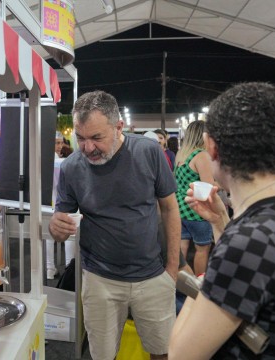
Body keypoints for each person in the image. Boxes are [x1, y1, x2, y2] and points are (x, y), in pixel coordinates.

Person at [169, 82, 275, 360]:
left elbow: (181, 354)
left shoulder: (249, 243)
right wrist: (220, 222)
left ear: (212, 148)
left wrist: (202, 292)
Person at [49, 90, 180, 360]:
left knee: (163, 352)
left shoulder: (148, 152)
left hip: (153, 277)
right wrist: (56, 227)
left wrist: (173, 269)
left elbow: (169, 208)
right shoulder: (72, 167)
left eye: (97, 137)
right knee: (102, 355)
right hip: (99, 280)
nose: (87, 148)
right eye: (80, 137)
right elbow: (60, 218)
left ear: (118, 127)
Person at [174, 120, 215, 275]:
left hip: (180, 208)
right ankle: (199, 284)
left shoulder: (181, 154)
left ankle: (179, 286)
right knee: (202, 250)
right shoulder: (201, 155)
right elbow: (208, 186)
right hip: (197, 211)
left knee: (181, 249)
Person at [46, 131, 75, 279]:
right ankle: (64, 268)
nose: (60, 146)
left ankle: (51, 268)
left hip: (53, 202)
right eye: (56, 143)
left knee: (55, 235)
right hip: (57, 202)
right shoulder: (59, 161)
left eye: (61, 142)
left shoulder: (55, 160)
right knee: (65, 233)